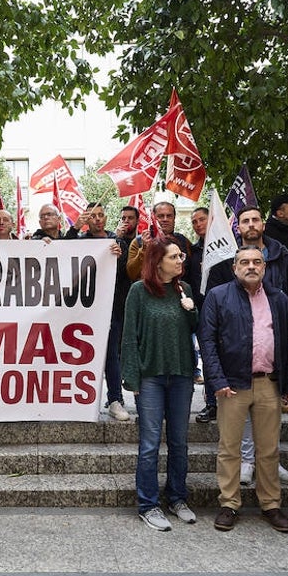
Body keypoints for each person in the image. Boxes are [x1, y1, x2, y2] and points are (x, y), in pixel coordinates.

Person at [200, 245, 288, 535]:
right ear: (235, 267)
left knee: (268, 449)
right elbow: (207, 342)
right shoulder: (218, 296)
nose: (251, 266)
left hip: (269, 383)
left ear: (265, 267)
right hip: (232, 384)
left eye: (257, 261)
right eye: (244, 262)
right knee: (229, 448)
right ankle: (229, 503)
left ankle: (271, 504)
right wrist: (217, 381)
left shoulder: (278, 298)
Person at [121, 238, 199, 531]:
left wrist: (191, 310)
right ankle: (148, 504)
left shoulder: (184, 290)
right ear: (158, 261)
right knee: (150, 444)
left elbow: (195, 328)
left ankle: (178, 498)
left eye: (181, 256)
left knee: (179, 442)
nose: (181, 260)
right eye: (174, 256)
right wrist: (132, 378)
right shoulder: (138, 292)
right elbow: (129, 336)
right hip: (150, 377)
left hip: (181, 376)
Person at [65, 203, 130, 420]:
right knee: (77, 355)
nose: (98, 219)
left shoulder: (116, 240)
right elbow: (62, 251)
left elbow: (123, 274)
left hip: (110, 309)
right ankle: (74, 399)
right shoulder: (79, 240)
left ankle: (115, 399)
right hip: (81, 310)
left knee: (111, 354)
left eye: (101, 215)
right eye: (93, 216)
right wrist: (75, 228)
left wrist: (118, 255)